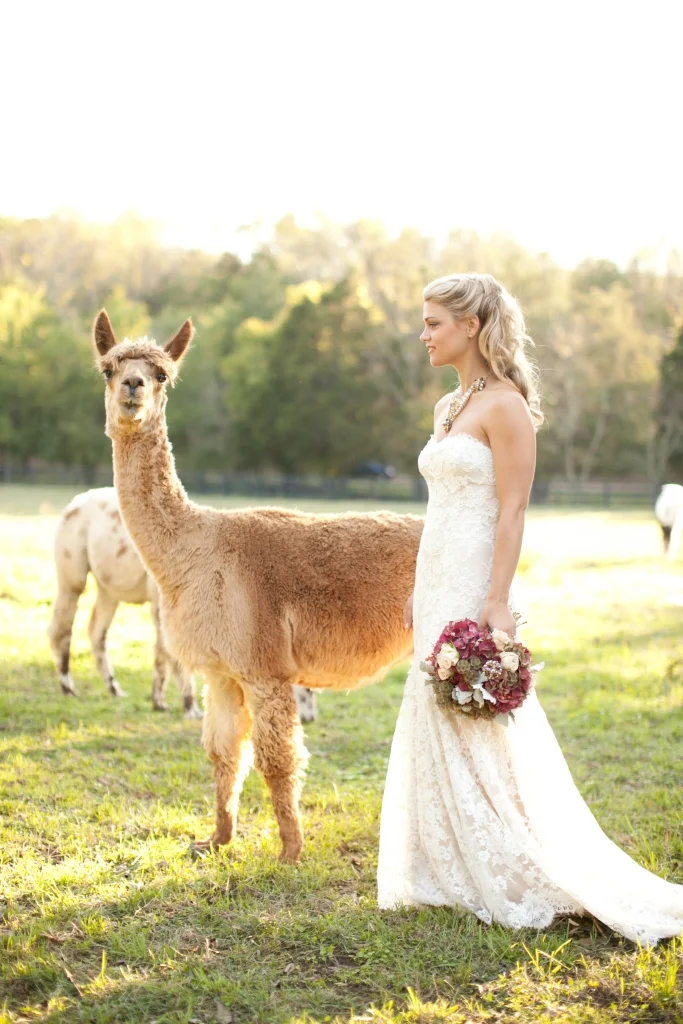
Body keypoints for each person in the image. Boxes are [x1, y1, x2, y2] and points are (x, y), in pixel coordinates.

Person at [377, 272, 683, 945]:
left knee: (479, 715)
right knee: (436, 707)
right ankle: (449, 867)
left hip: (477, 580)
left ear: (471, 326)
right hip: (437, 576)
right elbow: (440, 507)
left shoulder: (506, 407)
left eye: (433, 322)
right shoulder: (448, 405)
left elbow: (512, 509)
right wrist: (418, 585)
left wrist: (495, 600)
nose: (423, 334)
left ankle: (517, 862)